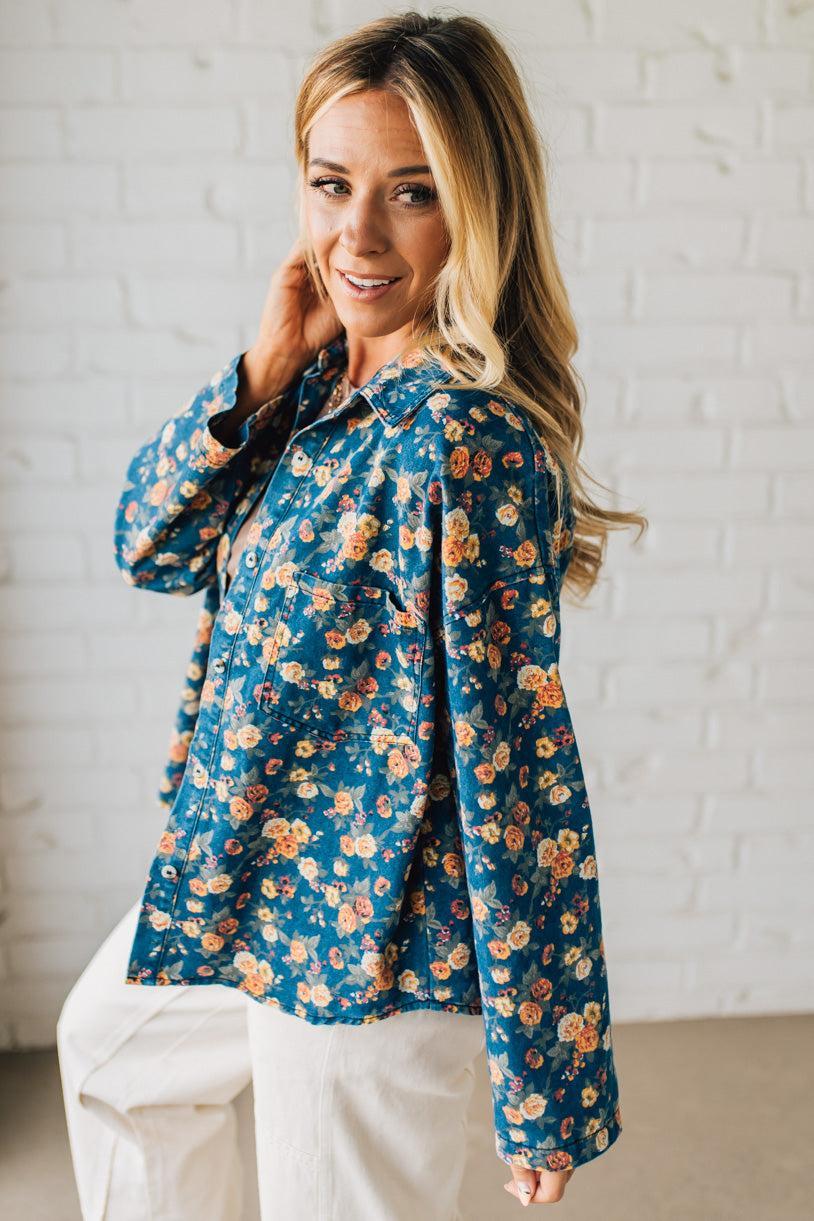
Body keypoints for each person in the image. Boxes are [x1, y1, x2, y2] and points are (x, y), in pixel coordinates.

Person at [57, 10, 646, 1218]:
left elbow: (515, 768)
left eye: (411, 194)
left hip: (375, 951)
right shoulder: (321, 380)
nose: (356, 235)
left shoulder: (461, 446)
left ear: (480, 208)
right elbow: (147, 547)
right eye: (331, 186)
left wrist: (546, 1077)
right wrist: (259, 376)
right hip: (244, 889)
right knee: (113, 1057)